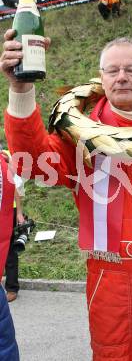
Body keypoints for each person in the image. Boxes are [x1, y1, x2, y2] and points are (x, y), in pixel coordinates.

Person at [0, 34, 132, 360]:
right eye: (112, 70)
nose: (121, 77)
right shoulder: (79, 139)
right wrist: (21, 89)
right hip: (113, 281)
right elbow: (29, 158)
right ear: (100, 78)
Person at [0, 150, 20, 360]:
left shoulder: (6, 162)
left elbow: (18, 192)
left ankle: (13, 287)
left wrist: (20, 212)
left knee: (11, 253)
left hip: (9, 212)